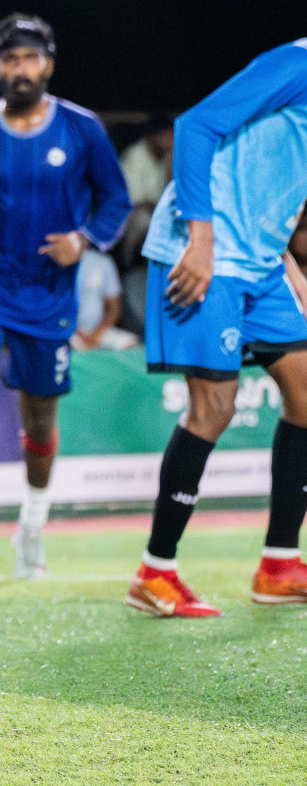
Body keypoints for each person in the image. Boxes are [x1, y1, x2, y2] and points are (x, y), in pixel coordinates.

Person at [0, 13, 131, 586]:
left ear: (49, 65)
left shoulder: (82, 128)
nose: (21, 68)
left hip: (48, 293)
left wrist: (83, 240)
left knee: (39, 420)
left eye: (31, 58)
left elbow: (116, 201)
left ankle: (32, 527)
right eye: (11, 59)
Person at [128, 40, 307, 617]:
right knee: (214, 407)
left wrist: (285, 255)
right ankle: (155, 572)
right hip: (202, 250)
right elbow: (196, 126)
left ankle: (280, 565)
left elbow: (278, 174)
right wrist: (201, 240)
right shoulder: (299, 63)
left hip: (259, 259)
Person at [116, 119, 173, 267]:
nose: (170, 140)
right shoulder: (135, 154)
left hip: (156, 212)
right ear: (155, 135)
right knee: (145, 219)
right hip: (131, 215)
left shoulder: (166, 157)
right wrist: (158, 209)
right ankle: (130, 263)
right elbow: (132, 201)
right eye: (168, 135)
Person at [72, 249, 137, 351]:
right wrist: (78, 333)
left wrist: (97, 334)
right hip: (70, 331)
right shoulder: (60, 260)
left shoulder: (103, 261)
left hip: (99, 330)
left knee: (131, 343)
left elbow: (115, 308)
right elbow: (58, 307)